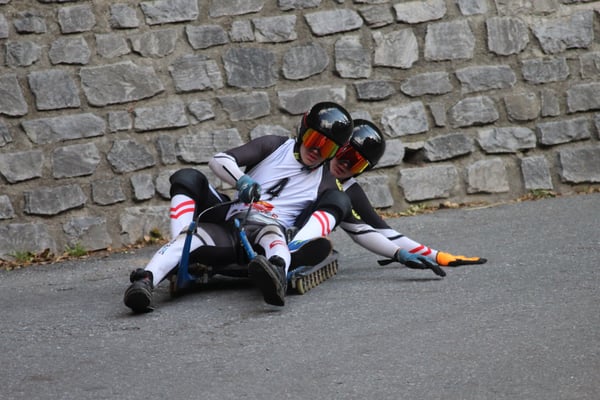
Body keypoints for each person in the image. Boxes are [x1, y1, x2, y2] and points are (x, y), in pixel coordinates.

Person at [123, 102, 354, 313]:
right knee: (189, 225)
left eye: (327, 149)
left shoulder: (326, 181)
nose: (316, 151)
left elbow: (363, 228)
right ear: (303, 131)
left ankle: (279, 270)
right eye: (314, 140)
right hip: (231, 224)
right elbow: (219, 160)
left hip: (270, 229)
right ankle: (146, 281)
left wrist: (388, 248)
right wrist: (242, 181)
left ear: (335, 153)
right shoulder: (274, 145)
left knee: (277, 238)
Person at [288, 119, 486, 277]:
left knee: (337, 199)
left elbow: (380, 230)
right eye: (345, 154)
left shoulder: (348, 190)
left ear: (363, 170)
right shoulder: (306, 159)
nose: (344, 164)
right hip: (274, 217)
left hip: (297, 230)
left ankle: (295, 250)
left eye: (355, 163)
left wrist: (437, 256)